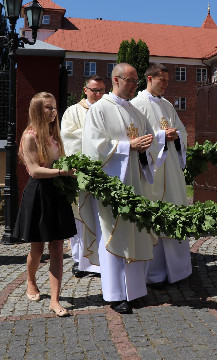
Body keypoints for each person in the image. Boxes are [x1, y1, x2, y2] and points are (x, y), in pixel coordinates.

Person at [81, 63, 159, 314]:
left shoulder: (136, 112)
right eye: (131, 81)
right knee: (112, 234)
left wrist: (145, 146)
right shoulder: (100, 109)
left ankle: (135, 291)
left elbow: (146, 141)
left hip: (136, 184)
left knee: (135, 233)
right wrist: (129, 146)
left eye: (136, 81)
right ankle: (115, 294)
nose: (135, 86)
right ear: (116, 79)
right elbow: (94, 148)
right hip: (112, 186)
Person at [12, 92, 76, 317]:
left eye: (55, 107)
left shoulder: (55, 135)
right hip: (38, 193)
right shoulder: (30, 137)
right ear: (38, 110)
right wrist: (62, 172)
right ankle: (30, 280)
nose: (53, 111)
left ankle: (55, 300)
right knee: (37, 248)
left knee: (57, 247)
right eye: (48, 108)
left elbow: (61, 162)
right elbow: (35, 171)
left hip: (57, 193)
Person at [132, 63, 192, 288]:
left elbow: (182, 131)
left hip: (171, 170)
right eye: (162, 80)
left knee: (175, 213)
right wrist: (160, 136)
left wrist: (176, 136)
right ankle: (154, 274)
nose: (166, 84)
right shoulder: (138, 104)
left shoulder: (168, 104)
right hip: (153, 170)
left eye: (167, 81)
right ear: (149, 78)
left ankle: (179, 271)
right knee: (155, 219)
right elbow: (136, 136)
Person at [60, 75, 105, 278]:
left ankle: (101, 260)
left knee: (101, 217)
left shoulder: (107, 110)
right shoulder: (73, 111)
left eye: (102, 90)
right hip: (82, 173)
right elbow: (68, 138)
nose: (98, 94)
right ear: (85, 90)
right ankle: (80, 260)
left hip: (104, 172)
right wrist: (94, 137)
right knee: (81, 217)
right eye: (94, 90)